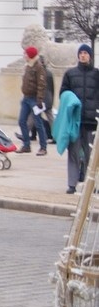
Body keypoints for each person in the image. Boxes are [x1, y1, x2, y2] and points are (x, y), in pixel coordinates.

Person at [58, 44, 99, 194]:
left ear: (90, 56)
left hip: (91, 121)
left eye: (85, 53)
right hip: (75, 121)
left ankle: (92, 184)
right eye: (81, 53)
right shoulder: (70, 74)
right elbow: (63, 93)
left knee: (91, 155)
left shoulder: (96, 74)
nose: (83, 55)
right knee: (73, 153)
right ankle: (72, 184)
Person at [16, 46, 48, 156]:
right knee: (21, 121)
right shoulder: (28, 66)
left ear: (30, 55)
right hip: (26, 97)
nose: (24, 55)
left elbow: (41, 84)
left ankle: (43, 147)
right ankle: (26, 145)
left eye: (25, 54)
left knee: (38, 123)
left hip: (34, 99)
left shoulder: (38, 67)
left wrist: (40, 99)